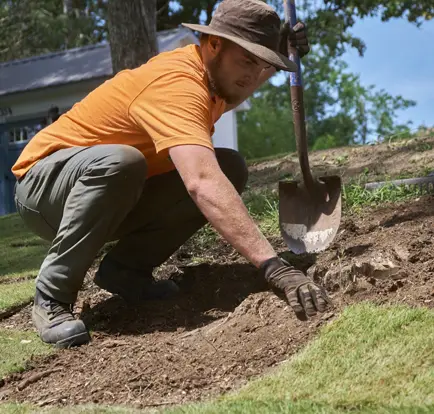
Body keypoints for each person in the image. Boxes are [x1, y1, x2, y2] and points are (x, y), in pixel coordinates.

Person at [12, 0, 331, 349]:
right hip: (43, 189)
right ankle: (52, 296)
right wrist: (274, 266)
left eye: (262, 66)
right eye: (247, 61)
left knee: (230, 166)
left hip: (108, 195)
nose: (253, 77)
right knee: (124, 162)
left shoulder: (215, 83)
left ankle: (126, 271)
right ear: (214, 45)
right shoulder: (178, 85)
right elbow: (201, 183)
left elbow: (236, 89)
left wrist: (279, 52)